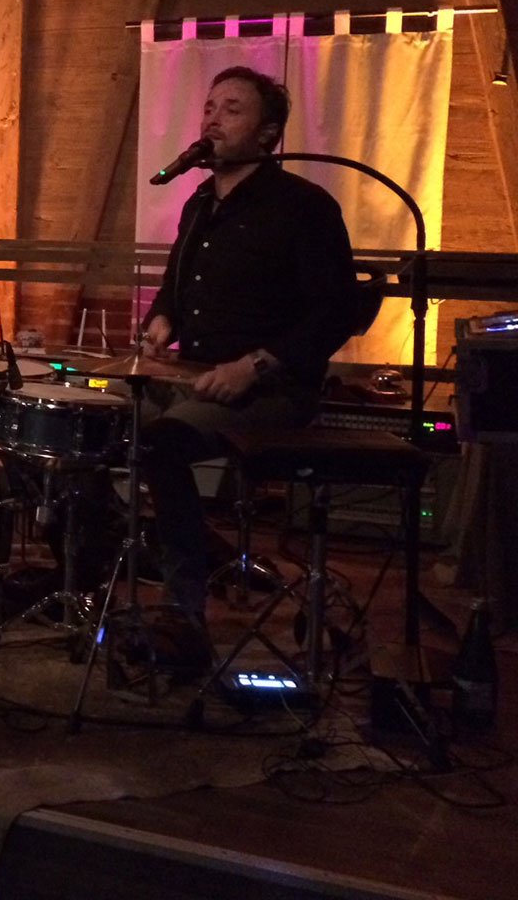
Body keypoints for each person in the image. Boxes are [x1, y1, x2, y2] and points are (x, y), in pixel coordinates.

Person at [138, 66, 358, 638]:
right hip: (193, 376)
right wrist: (161, 320)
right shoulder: (198, 204)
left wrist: (255, 364)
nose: (213, 119)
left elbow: (337, 312)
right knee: (86, 418)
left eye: (232, 109)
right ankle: (88, 576)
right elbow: (174, 289)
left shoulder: (304, 206)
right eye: (209, 107)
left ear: (268, 133)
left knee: (162, 442)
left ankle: (182, 608)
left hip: (271, 389)